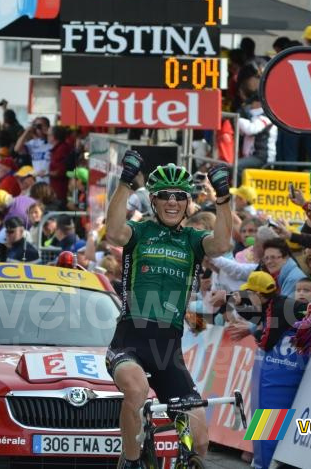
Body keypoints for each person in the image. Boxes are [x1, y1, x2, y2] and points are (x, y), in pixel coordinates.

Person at [104, 152, 232, 468]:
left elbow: (221, 245)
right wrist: (125, 182)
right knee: (137, 389)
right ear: (154, 200)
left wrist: (224, 198)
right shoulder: (141, 232)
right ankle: (132, 462)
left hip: (167, 353)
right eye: (165, 196)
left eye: (180, 196)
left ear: (188, 202)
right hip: (128, 344)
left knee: (199, 439)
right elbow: (113, 232)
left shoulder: (192, 239)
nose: (172, 202)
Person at [15, 116, 52, 183]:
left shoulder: (53, 141)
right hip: (39, 180)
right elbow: (17, 149)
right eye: (37, 126)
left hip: (52, 180)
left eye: (41, 126)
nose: (39, 128)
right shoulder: (33, 143)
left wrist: (48, 131)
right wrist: (27, 131)